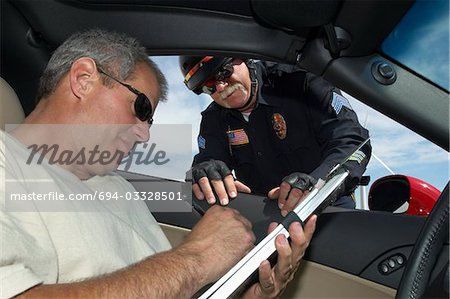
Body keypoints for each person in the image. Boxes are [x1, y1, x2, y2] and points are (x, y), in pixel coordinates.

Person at [0, 29, 316, 298]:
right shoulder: (7, 161)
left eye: (151, 121)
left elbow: (162, 286)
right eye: (140, 107)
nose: (144, 134)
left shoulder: (119, 189)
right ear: (83, 80)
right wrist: (196, 258)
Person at [180, 56, 372, 213]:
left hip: (327, 208)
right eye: (209, 86)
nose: (221, 87)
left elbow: (353, 142)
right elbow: (208, 160)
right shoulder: (214, 119)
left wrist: (318, 185)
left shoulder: (302, 83)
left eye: (224, 72)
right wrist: (204, 172)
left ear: (244, 59)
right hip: (265, 219)